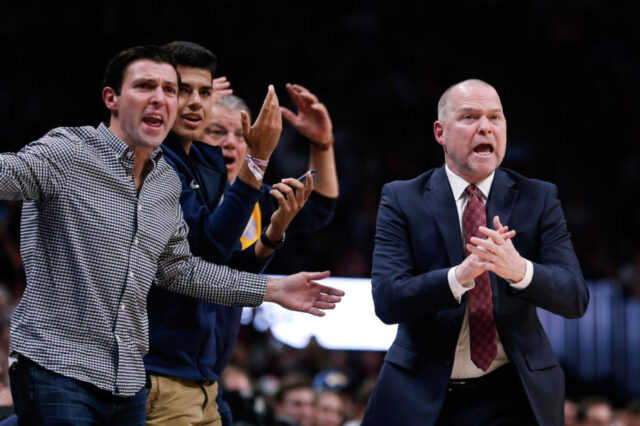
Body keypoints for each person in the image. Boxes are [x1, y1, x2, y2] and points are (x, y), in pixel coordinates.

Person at [0, 45, 343, 425]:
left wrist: (273, 290)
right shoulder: (69, 151)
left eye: (168, 89)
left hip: (127, 380)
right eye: (146, 86)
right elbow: (7, 173)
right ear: (111, 98)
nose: (160, 99)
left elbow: (181, 270)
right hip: (60, 365)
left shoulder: (164, 180)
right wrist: (255, 162)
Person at [363, 79, 589, 426]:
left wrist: (520, 270)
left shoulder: (539, 197)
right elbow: (388, 300)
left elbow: (575, 298)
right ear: (440, 132)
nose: (485, 127)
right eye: (469, 117)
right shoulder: (401, 198)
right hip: (420, 387)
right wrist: (457, 278)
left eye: (495, 118)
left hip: (511, 390)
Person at [144, 41, 338, 425]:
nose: (233, 142)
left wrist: (321, 143)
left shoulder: (257, 198)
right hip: (162, 367)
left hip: (203, 374)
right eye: (219, 131)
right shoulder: (172, 177)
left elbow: (321, 208)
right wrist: (257, 159)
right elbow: (209, 252)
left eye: (242, 134)